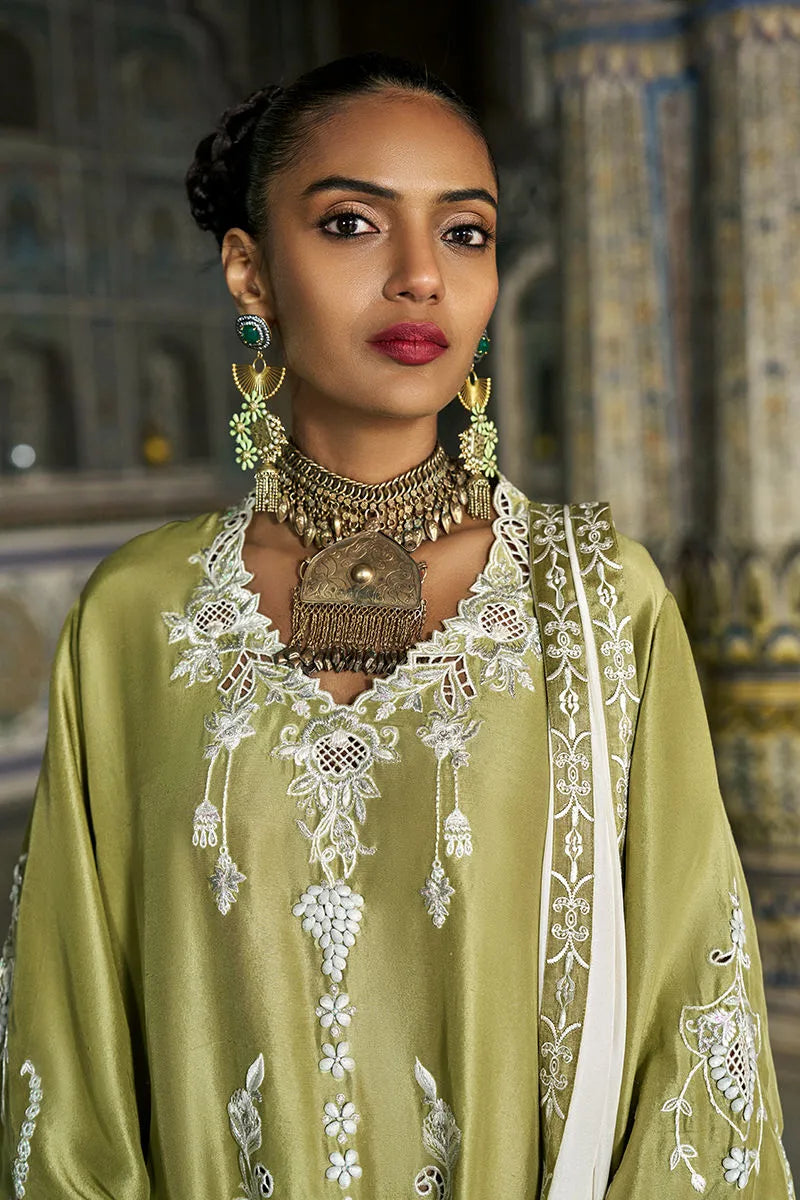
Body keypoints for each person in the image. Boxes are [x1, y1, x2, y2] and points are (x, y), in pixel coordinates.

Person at [0, 51, 794, 1200]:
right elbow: (63, 1059)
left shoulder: (594, 602)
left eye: (463, 233)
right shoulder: (135, 618)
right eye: (350, 225)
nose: (421, 277)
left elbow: (692, 1011)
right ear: (249, 271)